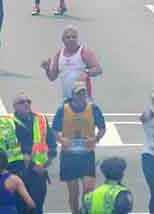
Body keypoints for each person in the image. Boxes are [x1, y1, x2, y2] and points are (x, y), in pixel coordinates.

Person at [51, 84, 106, 214]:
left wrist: (96, 138)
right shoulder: (63, 109)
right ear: (73, 95)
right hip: (69, 155)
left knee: (88, 189)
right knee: (74, 192)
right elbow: (53, 130)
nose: (81, 96)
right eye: (78, 93)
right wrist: (61, 140)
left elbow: (102, 128)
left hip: (87, 154)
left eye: (83, 93)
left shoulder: (93, 108)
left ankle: (85, 211)